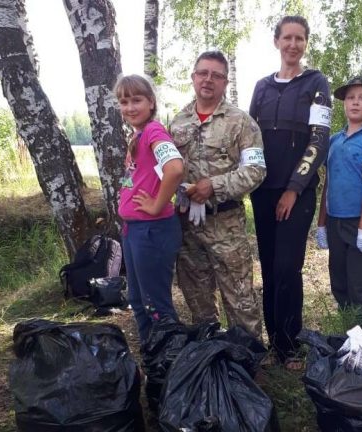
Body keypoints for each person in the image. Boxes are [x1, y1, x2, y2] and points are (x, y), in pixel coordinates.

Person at [249, 15, 332, 369]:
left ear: (306, 43)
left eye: (300, 39)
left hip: (296, 194)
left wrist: (294, 188)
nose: (293, 44)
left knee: (287, 267)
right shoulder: (262, 87)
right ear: (277, 42)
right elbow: (248, 139)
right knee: (268, 268)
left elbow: (319, 139)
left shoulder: (317, 83)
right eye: (287, 38)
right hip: (263, 192)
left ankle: (290, 344)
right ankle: (273, 344)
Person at [170, 50, 266, 338]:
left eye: (216, 75)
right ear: (193, 77)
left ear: (225, 82)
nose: (208, 79)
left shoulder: (241, 122)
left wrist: (215, 185)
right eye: (203, 73)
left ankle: (248, 363)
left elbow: (256, 171)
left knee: (240, 298)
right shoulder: (177, 123)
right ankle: (209, 360)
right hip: (188, 227)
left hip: (226, 225)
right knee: (198, 299)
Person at [316, 76, 362, 324]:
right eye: (350, 98)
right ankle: (349, 337)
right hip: (338, 222)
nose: (355, 103)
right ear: (343, 104)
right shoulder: (335, 141)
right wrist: (321, 224)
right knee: (341, 284)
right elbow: (329, 182)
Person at [115, 74, 184, 343]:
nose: (130, 107)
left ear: (151, 103)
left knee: (155, 305)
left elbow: (175, 169)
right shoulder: (137, 136)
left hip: (152, 230)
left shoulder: (154, 131)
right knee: (138, 300)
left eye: (136, 100)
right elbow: (133, 177)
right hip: (133, 230)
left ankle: (170, 362)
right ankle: (151, 355)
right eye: (124, 101)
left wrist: (156, 205)